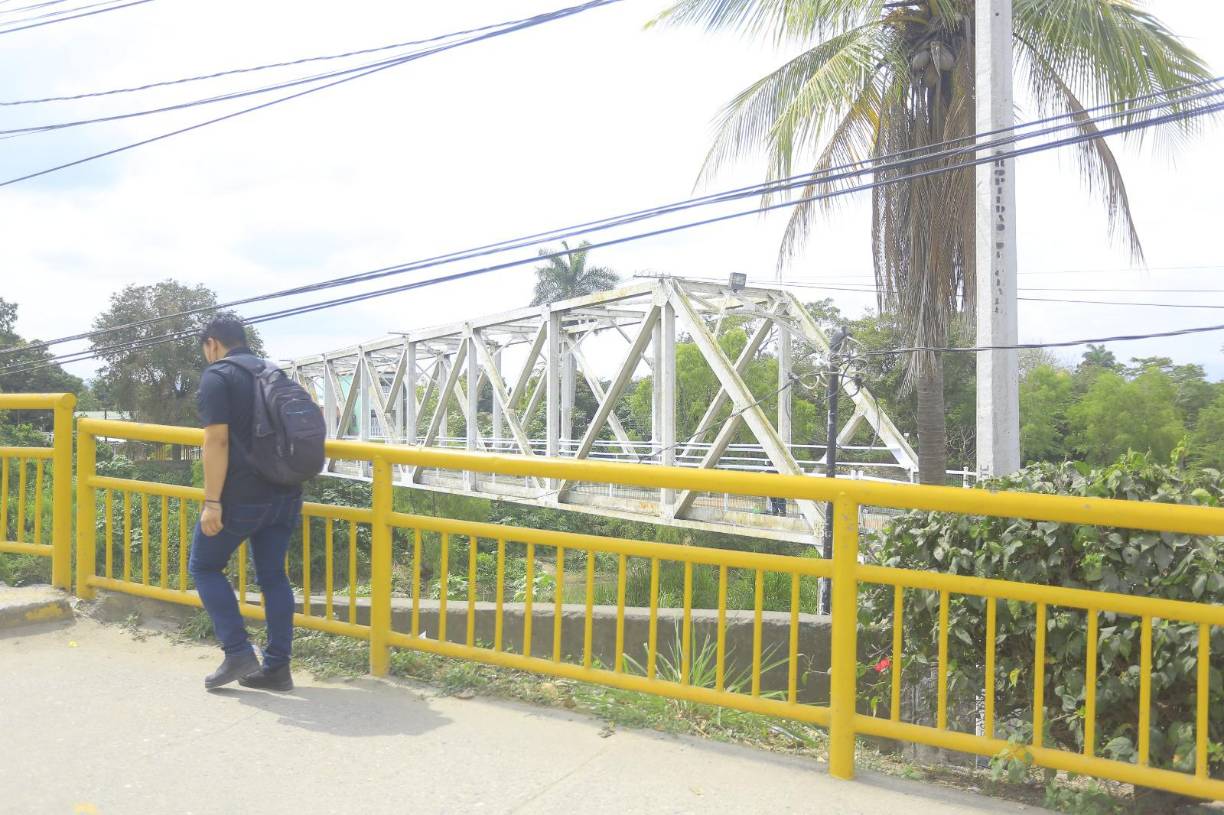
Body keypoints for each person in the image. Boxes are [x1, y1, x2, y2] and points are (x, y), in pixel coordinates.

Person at [189, 316, 302, 692]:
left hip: (242, 497)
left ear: (212, 344)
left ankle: (237, 651)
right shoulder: (274, 373)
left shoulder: (218, 377)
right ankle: (277, 668)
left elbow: (216, 442)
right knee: (273, 577)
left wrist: (212, 503)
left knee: (204, 566)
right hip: (285, 492)